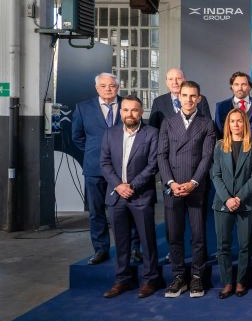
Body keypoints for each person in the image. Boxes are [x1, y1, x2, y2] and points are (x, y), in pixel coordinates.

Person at [99, 95, 162, 298]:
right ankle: (122, 280)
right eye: (125, 110)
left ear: (141, 112)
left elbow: (153, 165)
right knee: (121, 241)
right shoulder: (110, 134)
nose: (129, 114)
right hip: (117, 197)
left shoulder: (152, 133)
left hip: (141, 196)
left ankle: (150, 280)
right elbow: (105, 163)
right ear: (120, 112)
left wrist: (131, 186)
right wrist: (119, 186)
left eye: (134, 110)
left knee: (147, 240)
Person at [158, 80, 216, 298]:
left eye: (193, 96)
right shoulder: (168, 122)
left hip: (196, 187)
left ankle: (198, 276)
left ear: (199, 99)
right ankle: (179, 275)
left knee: (199, 236)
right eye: (185, 95)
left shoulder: (207, 123)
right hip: (173, 187)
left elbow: (207, 156)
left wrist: (193, 182)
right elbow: (161, 155)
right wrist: (171, 183)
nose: (189, 100)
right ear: (178, 97)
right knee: (174, 234)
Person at [210, 108, 252, 299]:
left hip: (246, 203)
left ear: (245, 123)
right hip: (223, 203)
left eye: (239, 121)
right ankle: (227, 282)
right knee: (223, 245)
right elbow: (215, 175)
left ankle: (241, 281)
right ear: (227, 125)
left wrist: (239, 198)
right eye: (232, 121)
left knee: (244, 245)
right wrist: (227, 199)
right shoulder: (219, 146)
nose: (236, 125)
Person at [72, 72, 122, 265]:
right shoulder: (83, 108)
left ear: (118, 87)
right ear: (96, 88)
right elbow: (77, 136)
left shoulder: (127, 105)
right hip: (94, 169)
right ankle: (101, 249)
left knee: (125, 210)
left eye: (112, 85)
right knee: (96, 211)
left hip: (123, 169)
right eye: (103, 86)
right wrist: (99, 155)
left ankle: (133, 249)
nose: (108, 89)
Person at [214, 71, 252, 143]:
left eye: (243, 84)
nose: (240, 88)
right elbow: (219, 134)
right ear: (232, 87)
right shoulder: (221, 107)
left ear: (249, 86)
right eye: (236, 84)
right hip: (229, 150)